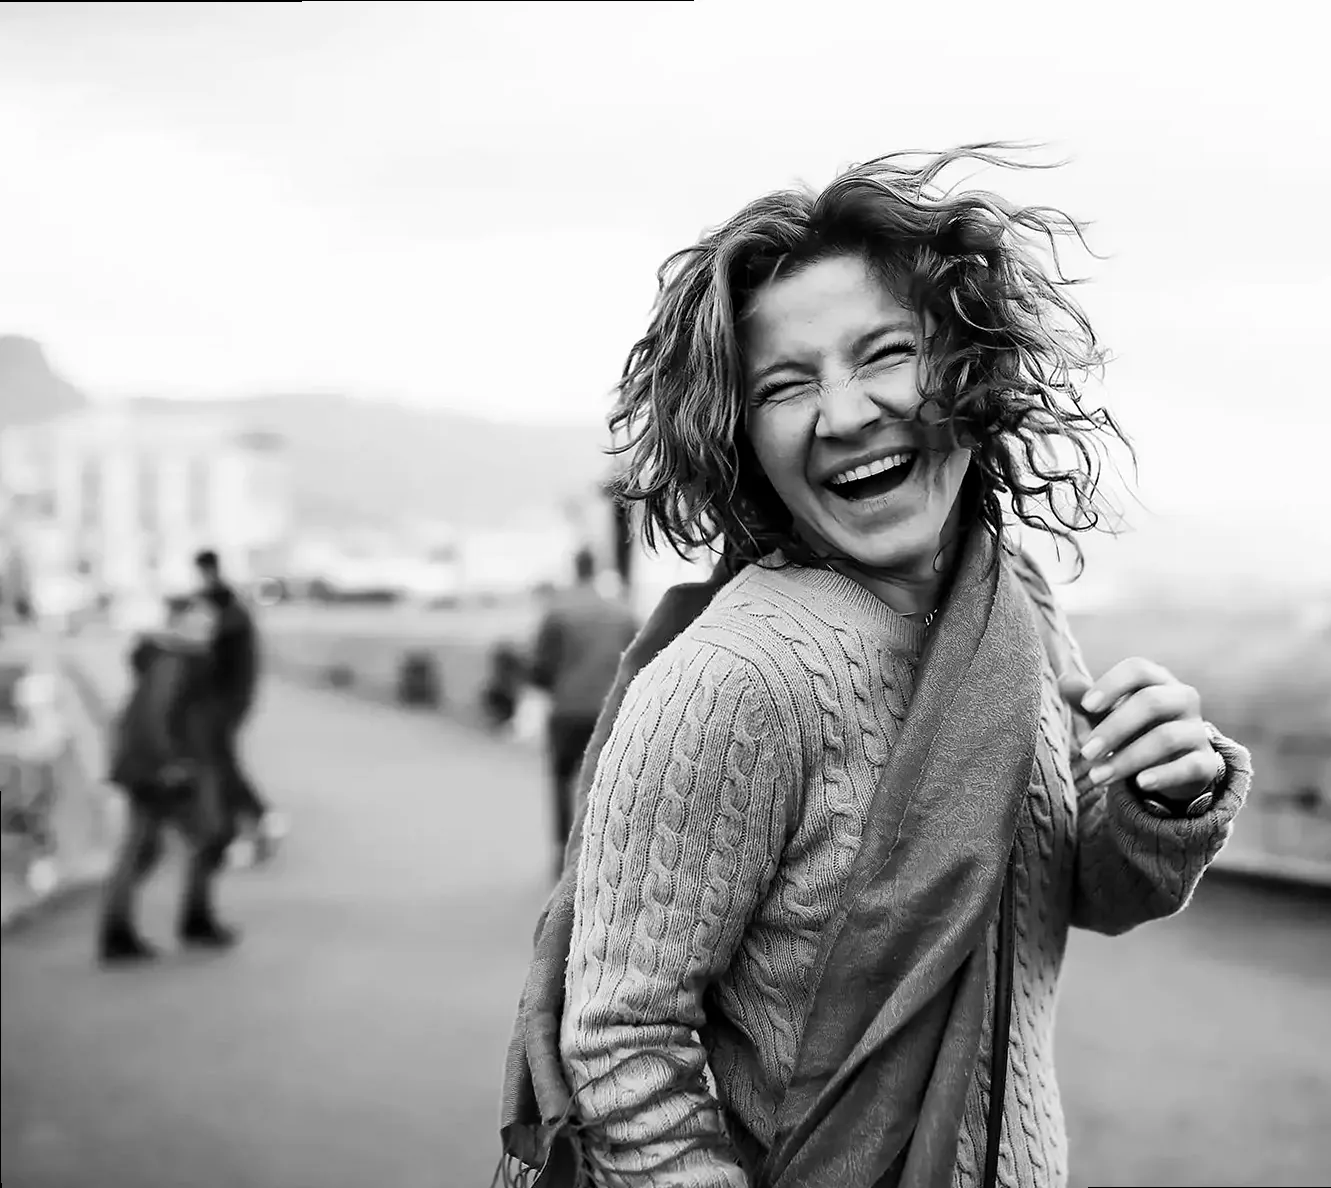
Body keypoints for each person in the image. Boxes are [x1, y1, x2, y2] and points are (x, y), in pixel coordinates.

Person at [498, 144, 1254, 1188]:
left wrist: (1164, 797)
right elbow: (621, 1047)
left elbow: (1068, 891)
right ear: (738, 437)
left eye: (885, 353)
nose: (846, 413)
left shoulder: (1012, 599)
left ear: (966, 363)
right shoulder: (735, 679)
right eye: (785, 384)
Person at [96, 596, 241, 962]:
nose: (207, 632)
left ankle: (145, 927)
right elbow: (153, 717)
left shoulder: (178, 659)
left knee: (166, 844)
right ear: (177, 623)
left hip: (167, 765)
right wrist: (169, 763)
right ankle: (127, 931)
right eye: (199, 624)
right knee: (177, 842)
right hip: (162, 769)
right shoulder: (173, 661)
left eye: (209, 626)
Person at [527, 546, 638, 875]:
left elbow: (541, 669)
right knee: (605, 782)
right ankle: (603, 852)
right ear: (596, 568)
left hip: (568, 707)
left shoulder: (558, 611)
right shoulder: (620, 611)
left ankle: (564, 855)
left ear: (575, 568)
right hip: (610, 709)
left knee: (563, 779)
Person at [192, 549, 286, 864]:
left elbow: (210, 650)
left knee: (220, 762)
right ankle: (253, 820)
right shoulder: (228, 604)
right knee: (220, 761)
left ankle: (253, 820)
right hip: (232, 696)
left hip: (227, 698)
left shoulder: (226, 607)